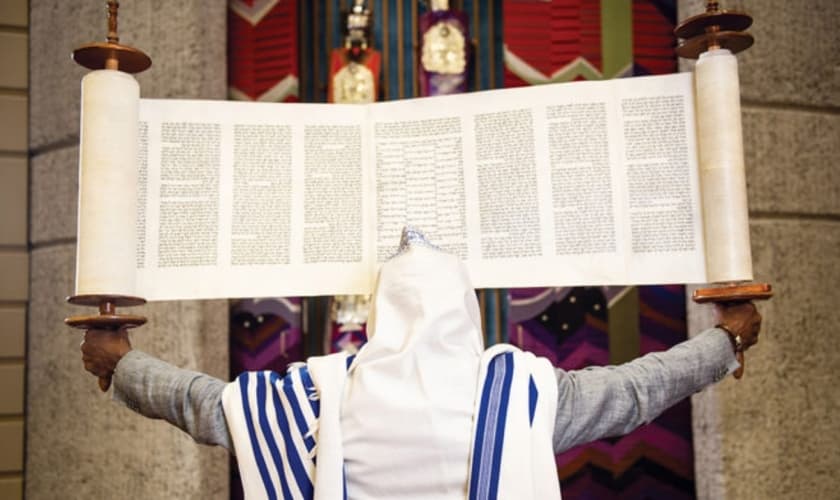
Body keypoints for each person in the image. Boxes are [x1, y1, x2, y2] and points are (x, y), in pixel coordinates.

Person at [80, 230, 761, 499]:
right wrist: (725, 341)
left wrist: (120, 362)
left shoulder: (321, 394)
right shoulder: (520, 393)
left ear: (381, 314)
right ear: (465, 307)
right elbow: (640, 390)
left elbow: (205, 404)